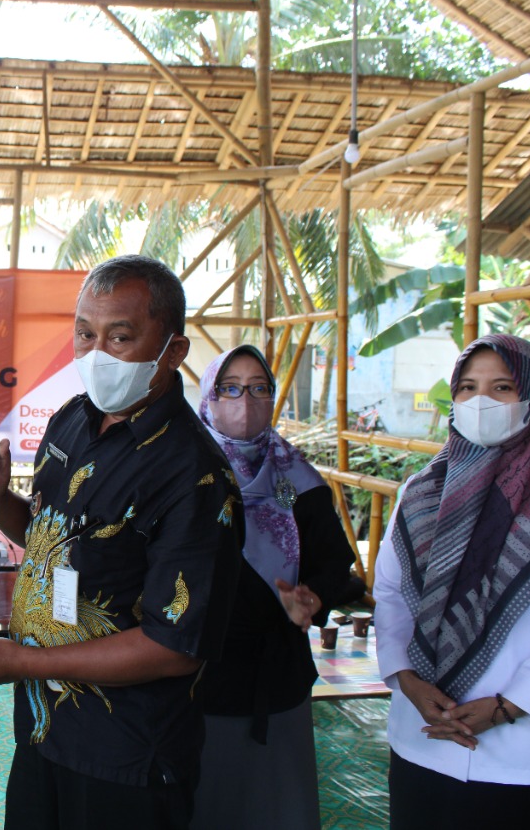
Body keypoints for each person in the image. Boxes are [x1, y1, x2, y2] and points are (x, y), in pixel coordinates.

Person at [0, 255, 243, 829]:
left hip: (127, 752)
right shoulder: (72, 421)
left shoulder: (195, 476)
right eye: (85, 333)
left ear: (173, 350)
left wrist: (27, 662)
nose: (96, 353)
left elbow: (174, 647)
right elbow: (50, 536)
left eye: (120, 337)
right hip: (44, 728)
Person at [374, 334, 530, 828]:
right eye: (467, 388)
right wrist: (406, 678)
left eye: (502, 387)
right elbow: (389, 593)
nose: (480, 401)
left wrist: (510, 705)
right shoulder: (421, 492)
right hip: (423, 741)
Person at [190, 344, 354, 830]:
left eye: (259, 388)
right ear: (210, 398)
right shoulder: (185, 473)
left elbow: (337, 564)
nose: (246, 401)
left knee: (275, 806)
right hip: (198, 676)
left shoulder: (300, 480)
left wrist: (315, 597)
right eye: (232, 388)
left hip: (276, 677)